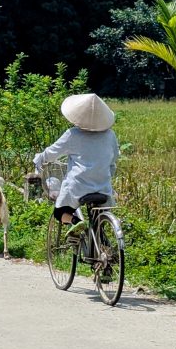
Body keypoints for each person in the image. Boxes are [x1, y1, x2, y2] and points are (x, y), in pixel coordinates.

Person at [34, 93, 119, 242]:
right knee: (99, 221)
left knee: (59, 213)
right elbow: (113, 161)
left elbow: (52, 153)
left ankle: (77, 223)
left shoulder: (73, 135)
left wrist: (39, 159)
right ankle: (102, 250)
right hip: (103, 187)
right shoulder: (110, 135)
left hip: (77, 188)